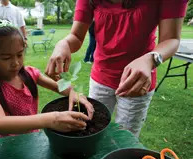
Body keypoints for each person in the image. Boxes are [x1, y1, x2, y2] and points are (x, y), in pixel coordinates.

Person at [45, 0, 188, 137]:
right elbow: (76, 36)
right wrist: (63, 44)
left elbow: (171, 39)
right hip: (100, 77)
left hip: (136, 81)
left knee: (125, 136)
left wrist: (151, 59)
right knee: (93, 127)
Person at [0, 18, 94, 137]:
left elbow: (60, 87)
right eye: (6, 58)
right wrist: (52, 119)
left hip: (32, 137)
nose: (16, 63)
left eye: (20, 54)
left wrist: (73, 91)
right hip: (9, 145)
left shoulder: (28, 74)